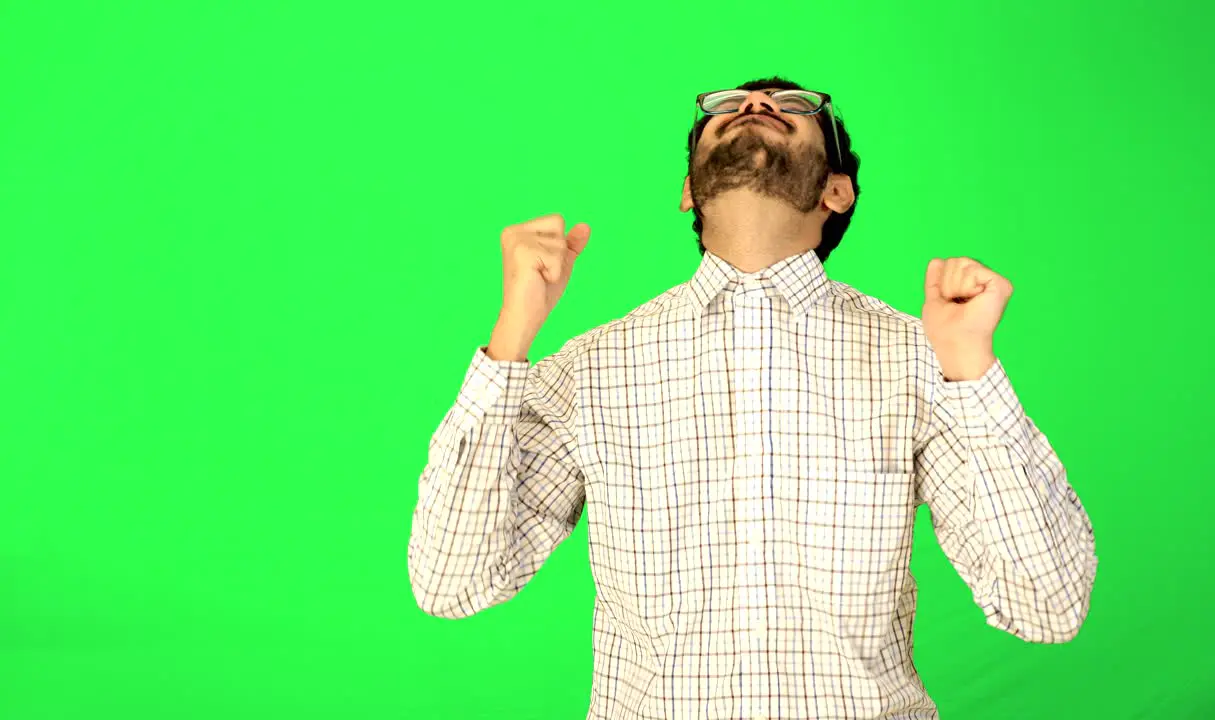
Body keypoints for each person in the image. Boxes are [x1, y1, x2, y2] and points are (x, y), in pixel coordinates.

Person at [407, 76, 1098, 719]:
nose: (754, 106)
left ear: (837, 191)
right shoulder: (592, 365)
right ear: (687, 188)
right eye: (728, 105)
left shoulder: (923, 356)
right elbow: (452, 583)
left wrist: (972, 370)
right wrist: (512, 337)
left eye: (792, 105)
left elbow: (1048, 607)